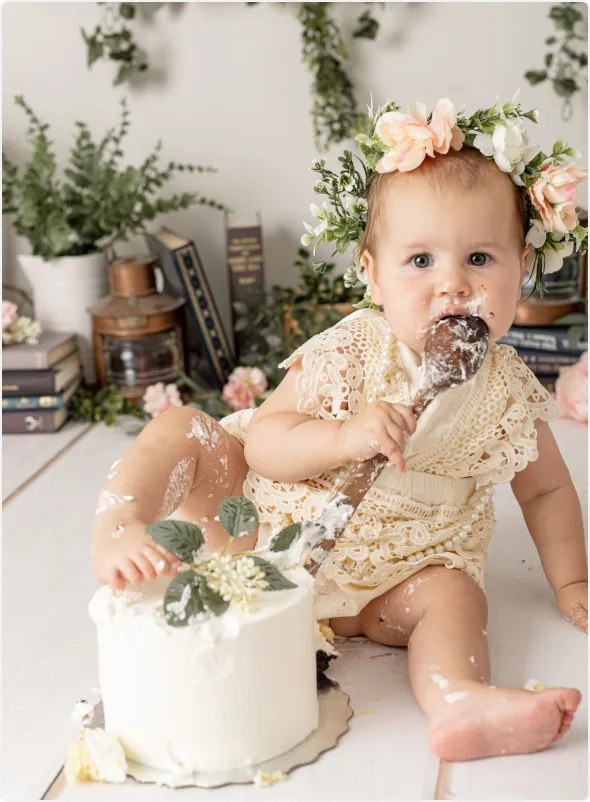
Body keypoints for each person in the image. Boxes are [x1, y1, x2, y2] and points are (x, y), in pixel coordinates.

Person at [92, 94, 588, 761]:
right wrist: (344, 436)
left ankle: (458, 697)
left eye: (479, 259)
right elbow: (266, 444)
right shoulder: (354, 349)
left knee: (455, 595)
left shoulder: (506, 390)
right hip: (260, 533)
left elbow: (547, 490)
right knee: (186, 427)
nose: (453, 285)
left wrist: (572, 582)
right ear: (372, 274)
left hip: (395, 582)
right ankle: (121, 522)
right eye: (421, 261)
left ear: (521, 267)